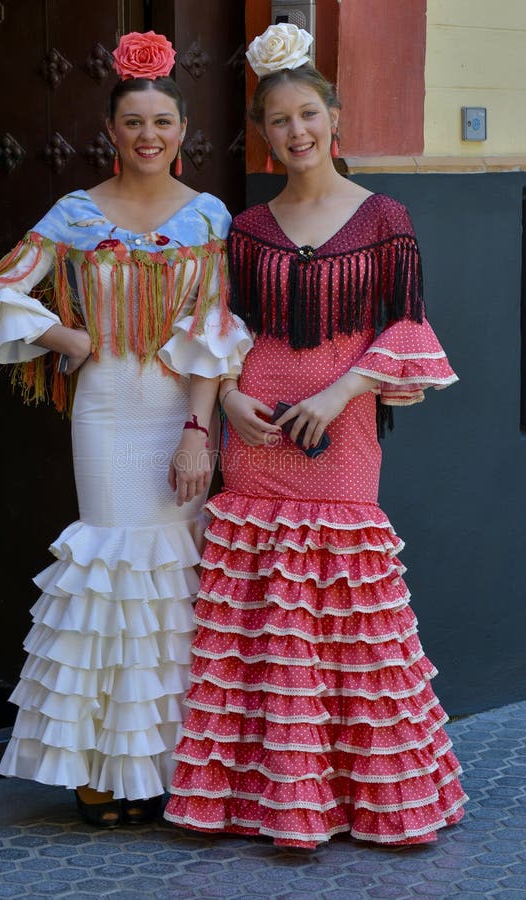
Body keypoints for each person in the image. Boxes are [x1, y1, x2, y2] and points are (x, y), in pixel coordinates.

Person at [164, 23, 468, 848]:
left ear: (333, 118)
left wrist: (341, 393)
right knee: (261, 612)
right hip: (254, 435)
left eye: (307, 115)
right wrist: (222, 401)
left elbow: (403, 327)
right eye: (278, 121)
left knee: (345, 607)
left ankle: (367, 803)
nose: (294, 132)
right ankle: (261, 804)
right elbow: (222, 328)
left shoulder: (383, 215)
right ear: (262, 135)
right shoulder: (249, 225)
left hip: (339, 434)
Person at [0, 31, 250, 829]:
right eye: (133, 122)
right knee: (115, 571)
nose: (149, 135)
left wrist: (197, 432)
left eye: (163, 122)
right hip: (107, 410)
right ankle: (103, 771)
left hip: (178, 408)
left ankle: (170, 765)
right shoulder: (75, 214)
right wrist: (62, 338)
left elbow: (214, 333)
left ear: (183, 132)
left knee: (173, 584)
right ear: (111, 133)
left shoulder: (208, 215)